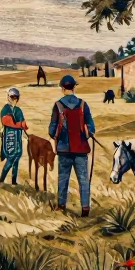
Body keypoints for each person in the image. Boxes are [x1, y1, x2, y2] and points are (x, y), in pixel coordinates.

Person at [49, 74, 95, 216]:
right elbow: (91, 129)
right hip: (81, 149)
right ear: (74, 87)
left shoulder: (58, 105)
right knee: (83, 179)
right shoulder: (83, 104)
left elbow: (51, 130)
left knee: (63, 178)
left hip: (64, 149)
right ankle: (85, 208)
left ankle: (61, 206)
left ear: (62, 88)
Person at [0, 87, 27, 185]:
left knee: (16, 160)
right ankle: (1, 181)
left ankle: (13, 182)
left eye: (15, 97)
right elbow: (7, 122)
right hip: (9, 137)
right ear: (9, 97)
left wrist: (20, 125)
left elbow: (23, 124)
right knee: (10, 159)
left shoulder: (18, 110)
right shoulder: (5, 109)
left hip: (17, 138)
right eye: (12, 97)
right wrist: (19, 125)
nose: (14, 99)